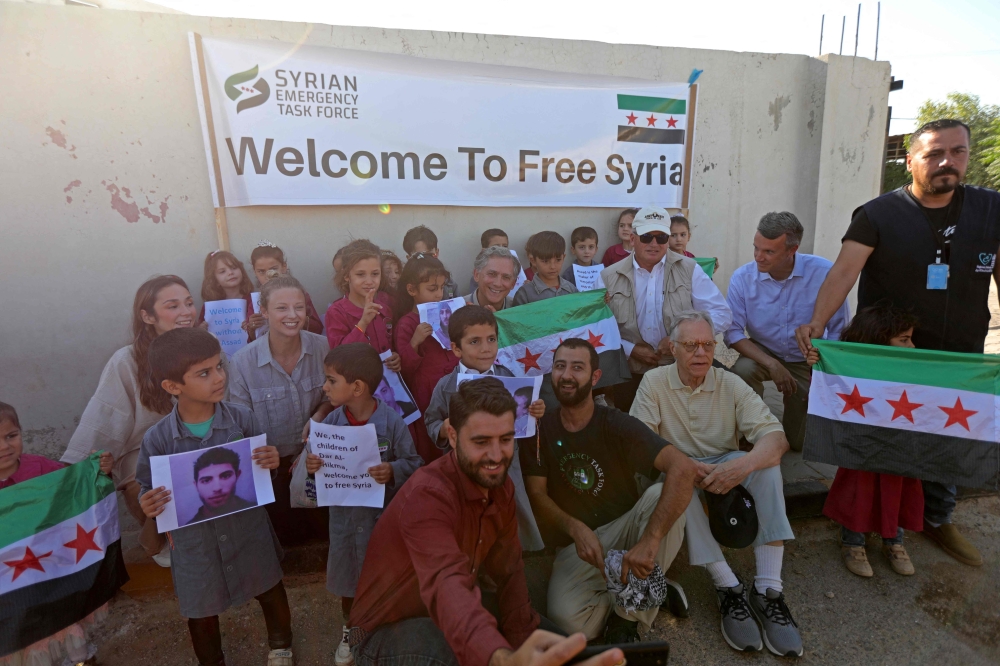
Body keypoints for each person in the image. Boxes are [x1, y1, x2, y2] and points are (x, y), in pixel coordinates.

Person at [795, 118, 999, 569]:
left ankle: (936, 519)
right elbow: (843, 273)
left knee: (949, 438)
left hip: (958, 355)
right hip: (889, 354)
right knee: (879, 442)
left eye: (958, 151)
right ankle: (858, 528)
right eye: (933, 153)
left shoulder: (991, 209)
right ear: (910, 161)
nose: (947, 162)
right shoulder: (878, 214)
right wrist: (816, 322)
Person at [349, 378, 627, 666]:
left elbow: (509, 573)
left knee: (564, 651)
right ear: (454, 437)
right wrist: (502, 658)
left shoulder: (499, 487)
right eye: (481, 442)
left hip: (459, 611)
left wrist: (523, 645)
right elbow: (447, 586)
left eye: (505, 440)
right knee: (461, 656)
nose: (496, 456)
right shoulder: (428, 496)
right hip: (383, 632)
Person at [629, 310, 802, 657]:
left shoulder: (730, 383)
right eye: (690, 345)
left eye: (708, 344)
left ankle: (769, 588)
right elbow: (639, 442)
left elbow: (775, 438)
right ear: (672, 348)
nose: (701, 353)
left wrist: (744, 466)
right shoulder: (654, 382)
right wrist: (685, 467)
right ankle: (728, 587)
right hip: (677, 466)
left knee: (765, 466)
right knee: (678, 479)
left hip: (723, 463)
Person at [135, 328, 293, 666]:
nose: (219, 377)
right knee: (201, 609)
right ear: (173, 387)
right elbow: (145, 486)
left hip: (248, 531)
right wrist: (146, 502)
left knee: (268, 586)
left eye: (219, 366)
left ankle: (281, 646)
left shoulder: (242, 419)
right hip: (195, 544)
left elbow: (261, 473)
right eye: (204, 373)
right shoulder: (158, 439)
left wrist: (271, 462)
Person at [522, 340, 695, 643]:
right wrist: (574, 528)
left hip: (626, 529)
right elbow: (537, 495)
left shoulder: (616, 423)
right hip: (578, 547)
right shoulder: (540, 430)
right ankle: (648, 589)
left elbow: (683, 468)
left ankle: (627, 619)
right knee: (571, 626)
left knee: (662, 497)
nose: (567, 375)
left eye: (577, 367)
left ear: (595, 377)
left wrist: (650, 541)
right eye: (560, 366)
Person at [61, 275, 201, 566]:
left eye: (189, 303)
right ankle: (164, 541)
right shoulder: (126, 361)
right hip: (146, 453)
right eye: (173, 306)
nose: (186, 312)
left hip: (202, 443)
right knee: (151, 485)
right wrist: (76, 473)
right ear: (147, 315)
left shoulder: (208, 348)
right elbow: (105, 417)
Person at [305, 343, 423, 666]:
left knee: (384, 579)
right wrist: (312, 469)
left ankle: (385, 631)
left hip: (381, 523)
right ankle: (351, 631)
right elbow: (313, 487)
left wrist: (392, 471)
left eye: (331, 381)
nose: (324, 387)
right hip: (344, 522)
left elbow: (415, 464)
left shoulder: (393, 423)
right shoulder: (328, 426)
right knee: (349, 582)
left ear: (356, 387)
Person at [806, 304, 924, 577]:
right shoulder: (852, 368)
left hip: (900, 446)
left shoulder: (915, 368)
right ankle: (853, 540)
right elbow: (827, 391)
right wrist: (817, 363)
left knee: (899, 489)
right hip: (862, 446)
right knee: (860, 488)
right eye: (904, 340)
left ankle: (894, 540)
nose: (913, 346)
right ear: (877, 341)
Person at [1, 402, 116, 666]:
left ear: (21, 432)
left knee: (61, 620)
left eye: (11, 436)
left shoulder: (40, 469)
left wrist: (97, 470)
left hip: (49, 571)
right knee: (21, 633)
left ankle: (81, 659)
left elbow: (74, 490)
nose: (4, 447)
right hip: (8, 582)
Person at [725, 212, 850, 451]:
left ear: (792, 250)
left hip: (807, 358)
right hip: (763, 351)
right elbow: (732, 333)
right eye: (756, 248)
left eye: (769, 252)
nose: (758, 257)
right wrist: (771, 363)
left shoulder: (824, 273)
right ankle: (749, 430)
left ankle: (794, 422)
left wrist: (820, 366)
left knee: (800, 443)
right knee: (742, 369)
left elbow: (838, 330)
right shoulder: (743, 277)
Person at [424, 306, 546, 551]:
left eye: (491, 339)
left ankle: (513, 556)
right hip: (464, 468)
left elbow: (521, 418)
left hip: (505, 466)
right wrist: (443, 427)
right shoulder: (446, 386)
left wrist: (536, 412)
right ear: (456, 348)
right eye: (475, 341)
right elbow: (431, 421)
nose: (486, 348)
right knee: (469, 520)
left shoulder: (509, 377)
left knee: (506, 515)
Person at [229, 276, 332, 545]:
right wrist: (264, 454)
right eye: (281, 308)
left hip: (317, 463)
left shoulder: (323, 348)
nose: (292, 315)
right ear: (263, 311)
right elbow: (239, 425)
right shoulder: (242, 362)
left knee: (325, 536)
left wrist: (319, 415)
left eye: (299, 307)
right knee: (281, 542)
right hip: (270, 472)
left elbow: (334, 397)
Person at [602, 205, 732, 413]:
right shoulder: (608, 277)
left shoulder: (689, 269)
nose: (654, 244)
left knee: (733, 393)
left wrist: (681, 339)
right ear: (633, 238)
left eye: (661, 237)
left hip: (680, 365)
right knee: (634, 425)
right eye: (647, 237)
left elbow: (722, 313)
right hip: (631, 369)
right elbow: (599, 329)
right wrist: (631, 349)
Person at [393, 254, 459, 461]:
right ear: (412, 290)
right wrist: (415, 341)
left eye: (442, 288)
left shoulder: (448, 313)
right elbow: (403, 371)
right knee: (433, 442)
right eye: (432, 289)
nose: (439, 294)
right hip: (426, 394)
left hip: (455, 386)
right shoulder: (407, 323)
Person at [325, 239, 402, 373]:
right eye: (360, 274)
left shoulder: (385, 309)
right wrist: (363, 323)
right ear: (346, 276)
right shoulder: (336, 312)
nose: (369, 281)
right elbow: (339, 357)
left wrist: (396, 357)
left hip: (387, 385)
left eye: (375, 274)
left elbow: (391, 345)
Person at [250, 242, 324, 336]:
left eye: (273, 269)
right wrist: (252, 327)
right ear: (255, 272)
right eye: (261, 271)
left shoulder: (299, 295)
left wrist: (301, 317)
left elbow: (318, 329)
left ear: (284, 267)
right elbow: (252, 340)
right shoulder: (254, 301)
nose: (268, 275)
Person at [197, 250, 263, 344]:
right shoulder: (210, 308)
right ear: (214, 280)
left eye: (234, 268)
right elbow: (202, 338)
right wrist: (201, 331)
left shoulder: (253, 301)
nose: (230, 273)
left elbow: (262, 334)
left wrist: (252, 327)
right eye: (222, 271)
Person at [185, 446, 257, 526]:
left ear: (237, 475)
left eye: (225, 476)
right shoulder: (188, 528)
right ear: (196, 485)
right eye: (206, 480)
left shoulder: (258, 511)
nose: (217, 488)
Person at [513, 231, 577, 305]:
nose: (553, 266)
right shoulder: (525, 294)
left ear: (564, 258)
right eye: (545, 261)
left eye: (558, 260)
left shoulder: (571, 289)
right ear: (533, 261)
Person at [403, 225, 458, 299]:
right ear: (409, 258)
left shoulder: (450, 284)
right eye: (420, 256)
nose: (426, 260)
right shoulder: (402, 286)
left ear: (437, 252)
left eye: (430, 255)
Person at [464, 246, 521, 312]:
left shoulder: (519, 311)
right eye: (492, 274)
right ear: (476, 275)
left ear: (513, 284)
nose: (498, 284)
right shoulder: (454, 310)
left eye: (506, 277)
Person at [467, 228, 510, 293]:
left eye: (504, 246)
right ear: (484, 251)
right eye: (495, 247)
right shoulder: (479, 275)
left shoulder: (512, 269)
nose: (501, 250)